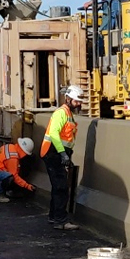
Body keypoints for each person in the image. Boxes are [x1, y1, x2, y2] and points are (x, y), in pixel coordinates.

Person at [40, 85, 84, 230]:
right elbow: (54, 134)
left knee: (58, 186)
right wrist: (63, 153)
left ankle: (54, 217)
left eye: (79, 101)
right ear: (68, 99)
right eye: (76, 101)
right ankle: (60, 221)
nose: (78, 104)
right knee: (61, 187)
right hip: (54, 152)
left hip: (56, 152)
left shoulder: (68, 113)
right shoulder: (62, 113)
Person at [0, 138, 36, 203]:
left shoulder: (10, 147)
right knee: (9, 177)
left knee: (7, 176)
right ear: (24, 152)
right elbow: (14, 175)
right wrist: (27, 186)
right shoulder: (13, 157)